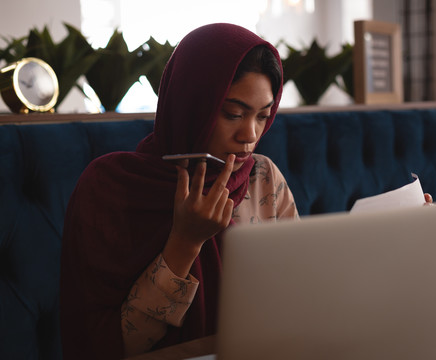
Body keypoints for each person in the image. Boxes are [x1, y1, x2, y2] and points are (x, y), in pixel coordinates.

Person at [60, 23, 299, 360]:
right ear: (191, 104)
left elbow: (298, 296)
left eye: (263, 116)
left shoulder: (262, 176)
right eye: (233, 113)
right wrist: (185, 242)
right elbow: (110, 345)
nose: (250, 134)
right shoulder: (111, 187)